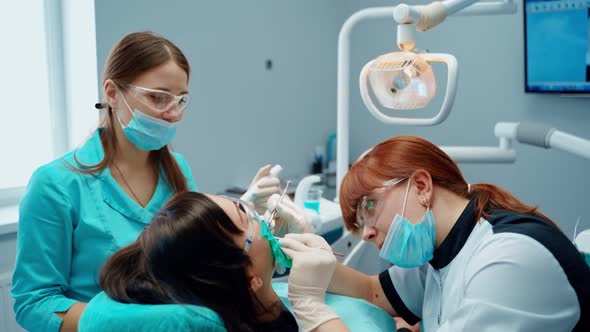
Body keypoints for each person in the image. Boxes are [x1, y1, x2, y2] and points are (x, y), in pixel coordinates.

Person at [11, 31, 280, 332]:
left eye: (181, 101)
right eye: (158, 98)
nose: (172, 114)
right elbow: (34, 303)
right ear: (112, 93)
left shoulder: (177, 169)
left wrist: (245, 219)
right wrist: (131, 323)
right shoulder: (55, 185)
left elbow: (194, 259)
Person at [279, 135, 590, 331]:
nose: (368, 234)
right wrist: (309, 251)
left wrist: (315, 313)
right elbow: (373, 292)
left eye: (369, 207)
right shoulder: (440, 251)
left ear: (421, 186)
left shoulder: (507, 259)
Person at [98, 192, 298, 332]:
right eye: (245, 215)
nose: (263, 219)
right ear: (248, 279)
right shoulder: (306, 308)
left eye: (240, 205)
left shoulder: (283, 301)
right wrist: (312, 305)